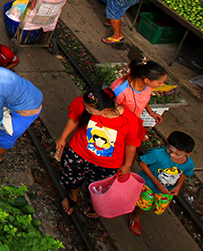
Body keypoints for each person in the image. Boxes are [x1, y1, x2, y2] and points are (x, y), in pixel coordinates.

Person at [54, 88, 145, 218]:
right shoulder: (85, 104)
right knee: (71, 179)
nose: (86, 110)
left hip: (107, 164)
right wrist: (63, 138)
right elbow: (74, 119)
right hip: (79, 152)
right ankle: (73, 197)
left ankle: (95, 204)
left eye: (90, 110)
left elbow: (131, 146)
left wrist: (127, 165)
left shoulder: (129, 120)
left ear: (105, 111)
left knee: (99, 189)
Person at [129, 131, 195, 236]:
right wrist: (157, 183)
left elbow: (184, 174)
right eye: (169, 149)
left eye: (177, 154)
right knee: (144, 204)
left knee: (158, 204)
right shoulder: (157, 153)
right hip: (148, 184)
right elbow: (143, 163)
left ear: (188, 154)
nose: (171, 154)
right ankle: (135, 216)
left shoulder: (189, 163)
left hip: (166, 189)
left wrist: (178, 186)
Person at [110, 58, 167, 123]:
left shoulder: (147, 85)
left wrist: (150, 112)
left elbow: (142, 99)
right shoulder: (119, 90)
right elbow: (110, 109)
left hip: (132, 120)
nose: (162, 84)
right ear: (147, 80)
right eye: (160, 83)